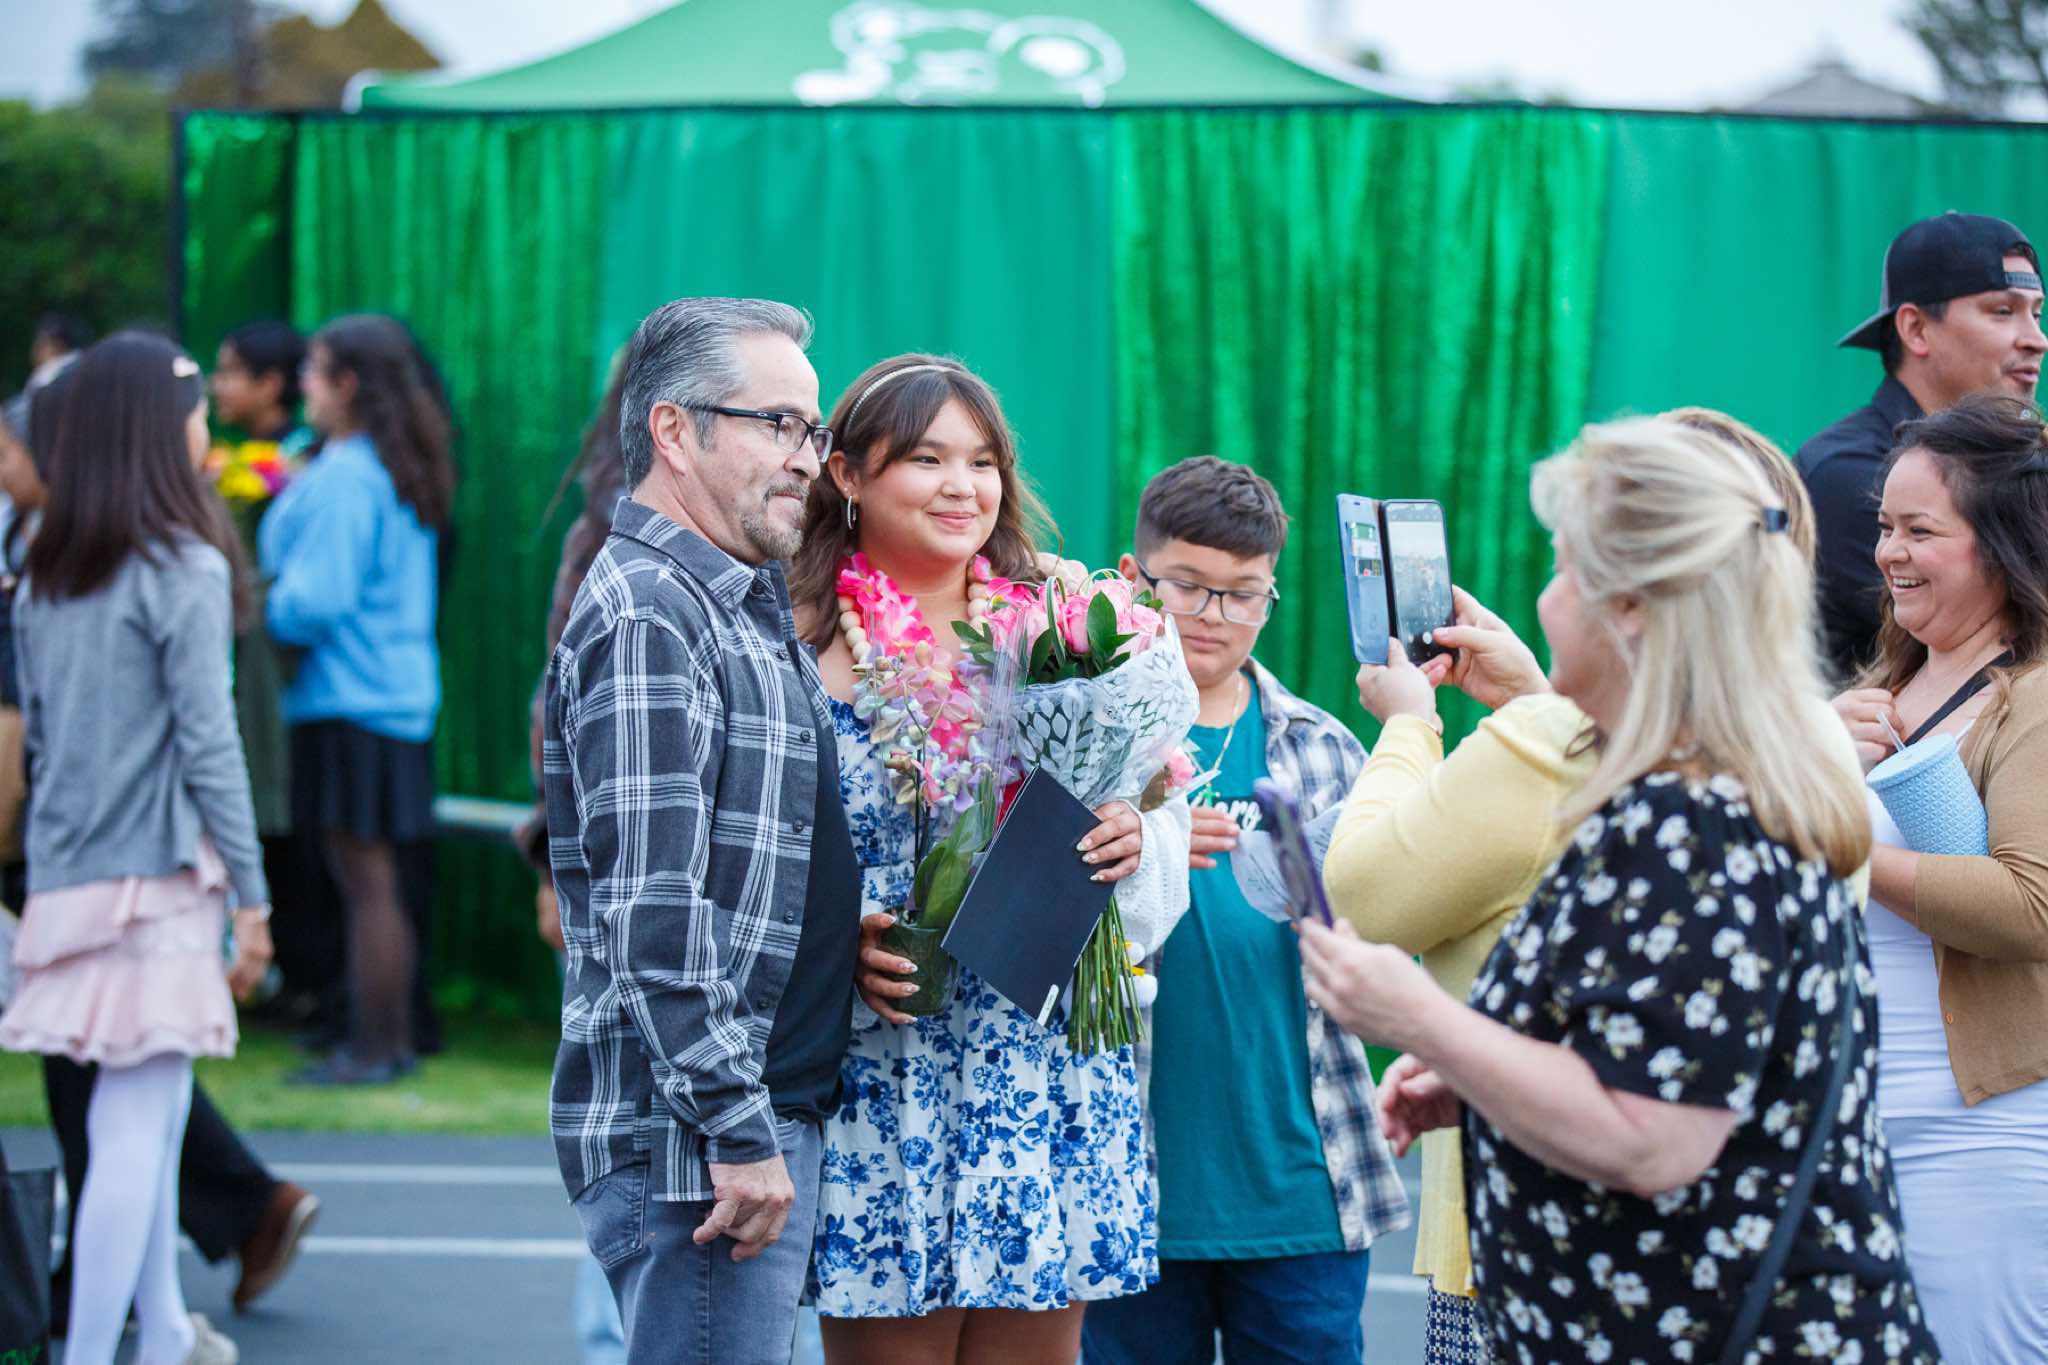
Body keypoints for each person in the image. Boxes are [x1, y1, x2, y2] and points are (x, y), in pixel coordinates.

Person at [1297, 417, 1944, 1363]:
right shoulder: (1713, 779)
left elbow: (1654, 1140)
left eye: (1566, 571)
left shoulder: (1695, 819)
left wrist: (1423, 1020)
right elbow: (1679, 1061)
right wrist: (1483, 1082)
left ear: (1633, 606)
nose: (1545, 601)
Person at [789, 355, 1186, 1365]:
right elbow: (750, 854)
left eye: (982, 462)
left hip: (1038, 1061)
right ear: (847, 473)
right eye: (925, 459)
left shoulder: (1061, 627)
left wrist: (1132, 834)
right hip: (886, 1066)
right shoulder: (792, 639)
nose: (962, 487)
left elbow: (1154, 809)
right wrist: (834, 941)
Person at [546, 297, 856, 1365]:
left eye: (811, 428)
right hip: (701, 1151)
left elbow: (751, 866)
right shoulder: (650, 611)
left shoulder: (732, 595)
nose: (806, 457)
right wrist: (735, 1125)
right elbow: (655, 911)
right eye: (779, 424)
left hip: (745, 1127)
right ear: (675, 432)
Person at [1075, 456, 1410, 1365]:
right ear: (1133, 576)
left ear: (1270, 597)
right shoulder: (1081, 739)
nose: (1213, 615)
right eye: (1187, 586)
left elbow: (1384, 942)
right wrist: (1145, 848)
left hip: (1302, 1183)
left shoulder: (1326, 747)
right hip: (1127, 1183)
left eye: (1244, 594)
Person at [6, 368, 319, 1331]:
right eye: (191, 412)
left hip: (69, 875)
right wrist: (253, 897)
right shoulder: (182, 565)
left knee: (141, 1110)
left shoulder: (44, 572)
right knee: (135, 1126)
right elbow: (209, 741)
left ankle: (165, 1331)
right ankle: (104, 1347)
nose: (204, 428)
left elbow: (43, 743)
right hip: (157, 878)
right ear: (151, 430)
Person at [1829, 393, 2048, 1362]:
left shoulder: (2032, 698)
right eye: (1884, 527)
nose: (1889, 553)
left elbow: (2030, 905)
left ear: (2001, 548)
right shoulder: (1873, 692)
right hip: (1852, 1132)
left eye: (1920, 531)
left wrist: (1842, 848)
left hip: (1978, 1142)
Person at [260, 314, 456, 1085]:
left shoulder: (347, 476)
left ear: (346, 384)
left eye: (312, 371)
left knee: (365, 880)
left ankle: (375, 1046)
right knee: (373, 879)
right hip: (387, 696)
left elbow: (318, 600)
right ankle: (383, 1039)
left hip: (352, 698)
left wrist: (262, 601)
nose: (301, 386)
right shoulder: (384, 464)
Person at [1800, 211, 2043, 681]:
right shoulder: (1847, 471)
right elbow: (2007, 633)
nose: (2037, 340)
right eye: (2002, 311)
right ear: (1914, 329)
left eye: (2036, 313)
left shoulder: (2013, 463)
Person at [519, 366, 631, 1365]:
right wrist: (557, 865)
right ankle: (607, 1344)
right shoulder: (606, 536)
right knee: (622, 1129)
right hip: (608, 876)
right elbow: (556, 715)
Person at [209, 320, 312, 450]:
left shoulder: (301, 455)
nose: (214, 386)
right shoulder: (242, 453)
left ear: (268, 386)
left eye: (227, 374)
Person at [26, 312, 94, 391]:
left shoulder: (47, 374)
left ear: (57, 345)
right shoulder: (85, 361)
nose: (35, 351)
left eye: (40, 344)